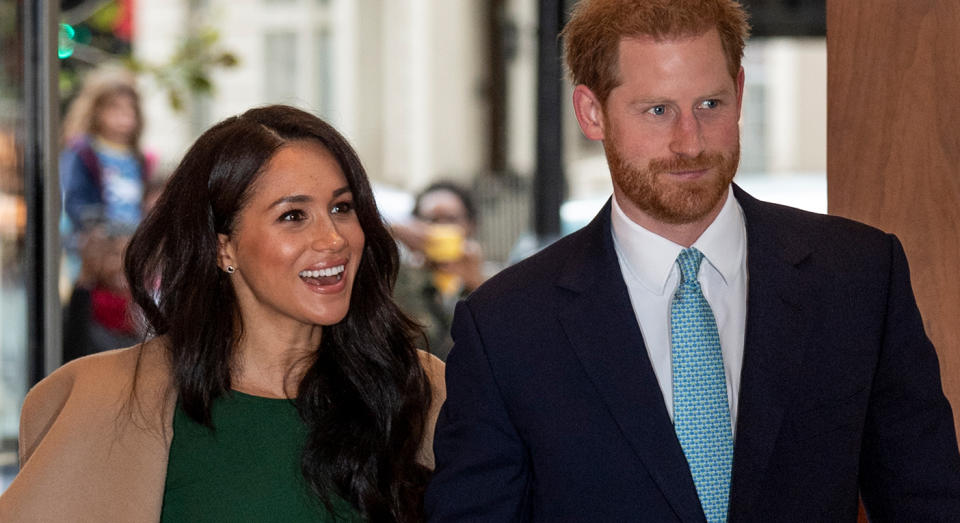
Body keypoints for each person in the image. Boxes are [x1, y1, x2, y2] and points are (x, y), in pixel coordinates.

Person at [426, 0, 960, 521]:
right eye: (658, 110)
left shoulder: (858, 276)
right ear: (592, 113)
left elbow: (928, 500)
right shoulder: (507, 326)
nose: (690, 142)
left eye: (710, 104)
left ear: (741, 93)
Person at [0, 105, 445, 522]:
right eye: (293, 216)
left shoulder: (422, 390)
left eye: (341, 208)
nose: (333, 239)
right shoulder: (111, 399)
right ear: (223, 246)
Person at [392, 182, 486, 360]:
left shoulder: (488, 282)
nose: (440, 228)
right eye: (432, 220)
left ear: (470, 225)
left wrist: (476, 286)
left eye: (451, 220)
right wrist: (393, 230)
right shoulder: (399, 280)